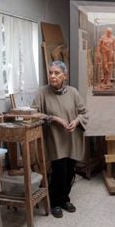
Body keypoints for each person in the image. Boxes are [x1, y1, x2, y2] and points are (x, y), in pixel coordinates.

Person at [35, 61, 88, 218]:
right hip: (55, 139)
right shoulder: (42, 93)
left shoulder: (73, 92)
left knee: (70, 170)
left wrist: (76, 121)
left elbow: (84, 112)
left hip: (72, 138)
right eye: (51, 72)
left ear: (65, 76)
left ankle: (65, 199)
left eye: (56, 73)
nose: (52, 76)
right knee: (59, 171)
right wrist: (55, 119)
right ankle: (54, 202)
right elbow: (34, 113)